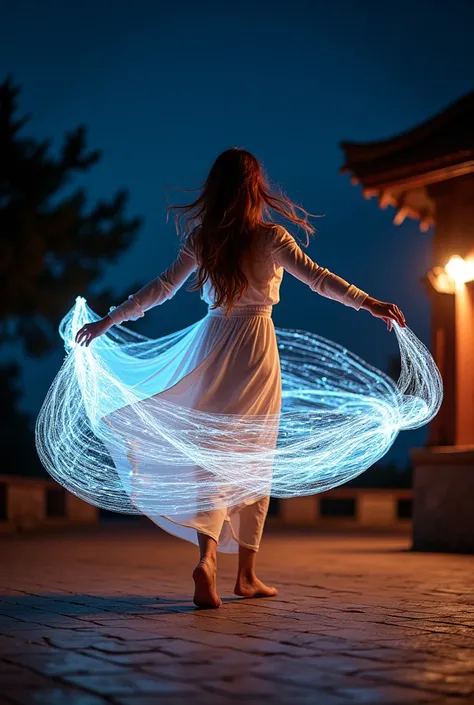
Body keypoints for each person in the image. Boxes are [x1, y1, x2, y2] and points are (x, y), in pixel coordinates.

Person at [75, 148, 406, 609]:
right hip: (254, 346)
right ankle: (246, 575)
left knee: (211, 455)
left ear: (215, 189)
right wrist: (370, 303)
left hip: (212, 343)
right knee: (254, 455)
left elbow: (162, 289)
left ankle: (207, 560)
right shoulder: (271, 237)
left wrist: (107, 322)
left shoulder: (203, 238)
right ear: (255, 189)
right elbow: (319, 280)